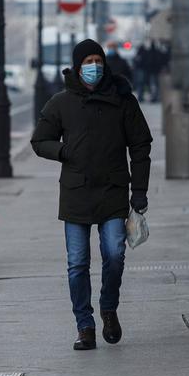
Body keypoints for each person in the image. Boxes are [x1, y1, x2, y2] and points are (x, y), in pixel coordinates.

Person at [31, 39, 152, 351]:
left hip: (113, 191)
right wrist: (62, 150)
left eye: (98, 60)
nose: (94, 66)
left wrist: (139, 191)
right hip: (75, 193)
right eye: (88, 62)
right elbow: (39, 140)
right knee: (77, 263)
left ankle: (108, 307)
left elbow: (141, 146)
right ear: (77, 66)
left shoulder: (123, 100)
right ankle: (84, 325)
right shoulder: (61, 102)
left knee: (114, 253)